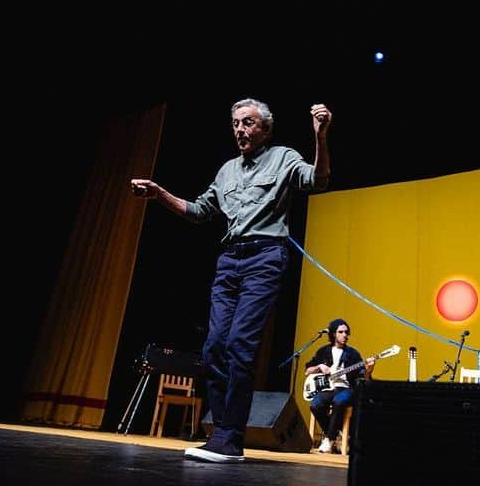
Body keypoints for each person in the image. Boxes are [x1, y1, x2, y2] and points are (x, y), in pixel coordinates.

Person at [131, 98, 332, 462]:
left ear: (265, 129)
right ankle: (222, 433)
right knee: (214, 347)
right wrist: (159, 195)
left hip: (265, 257)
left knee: (240, 344)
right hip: (229, 260)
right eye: (236, 123)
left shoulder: (283, 157)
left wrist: (320, 138)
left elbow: (316, 181)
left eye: (249, 123)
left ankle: (229, 439)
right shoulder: (226, 171)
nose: (240, 129)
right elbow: (198, 211)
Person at [304, 318, 373, 453]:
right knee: (315, 405)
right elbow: (307, 371)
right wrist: (319, 366)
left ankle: (329, 439)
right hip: (327, 388)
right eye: (341, 332)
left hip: (345, 388)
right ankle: (334, 432)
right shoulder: (323, 351)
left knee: (339, 401)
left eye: (346, 332)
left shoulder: (353, 354)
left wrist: (369, 369)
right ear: (334, 334)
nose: (344, 335)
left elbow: (362, 378)